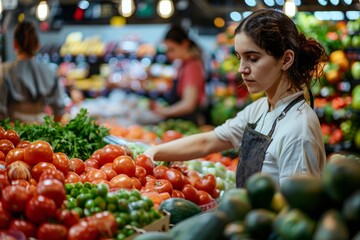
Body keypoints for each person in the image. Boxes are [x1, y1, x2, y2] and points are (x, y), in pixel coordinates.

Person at [145, 9, 328, 187]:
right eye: (240, 57)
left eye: (253, 58)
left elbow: (296, 210)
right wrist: (154, 152)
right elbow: (209, 141)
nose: (242, 69)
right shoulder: (260, 108)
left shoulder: (298, 131)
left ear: (286, 59)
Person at [0, 21, 66, 123]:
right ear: (37, 45)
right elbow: (59, 110)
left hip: (12, 135)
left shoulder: (3, 71)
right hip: (42, 131)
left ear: (15, 44)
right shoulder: (50, 72)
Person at [152, 24, 207, 125]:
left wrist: (164, 112)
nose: (169, 55)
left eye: (172, 49)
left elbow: (188, 104)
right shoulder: (183, 64)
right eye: (167, 50)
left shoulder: (192, 67)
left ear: (184, 44)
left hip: (188, 123)